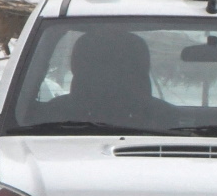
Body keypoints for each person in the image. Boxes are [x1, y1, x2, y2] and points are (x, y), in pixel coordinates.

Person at [41, 29, 178, 130]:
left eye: (119, 64)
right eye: (101, 63)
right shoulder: (163, 116)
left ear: (75, 66)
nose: (109, 72)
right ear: (143, 66)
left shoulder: (54, 115)